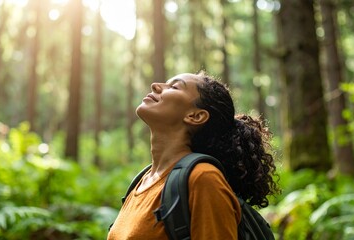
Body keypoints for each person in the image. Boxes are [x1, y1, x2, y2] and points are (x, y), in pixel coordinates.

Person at [107, 71, 279, 240]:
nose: (156, 86)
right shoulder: (141, 181)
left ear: (195, 116)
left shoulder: (202, 179)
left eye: (174, 86)